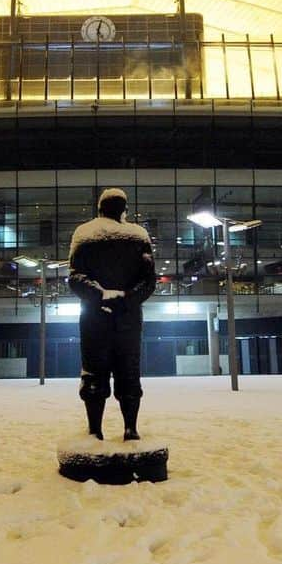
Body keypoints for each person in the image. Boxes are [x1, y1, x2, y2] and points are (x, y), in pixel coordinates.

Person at [68, 188, 156, 441]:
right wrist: (127, 299)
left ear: (100, 208)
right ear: (124, 209)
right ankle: (131, 428)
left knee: (94, 372)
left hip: (94, 318)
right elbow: (148, 282)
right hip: (128, 319)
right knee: (128, 371)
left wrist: (100, 295)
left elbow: (75, 278)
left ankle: (95, 429)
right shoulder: (139, 236)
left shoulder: (84, 234)